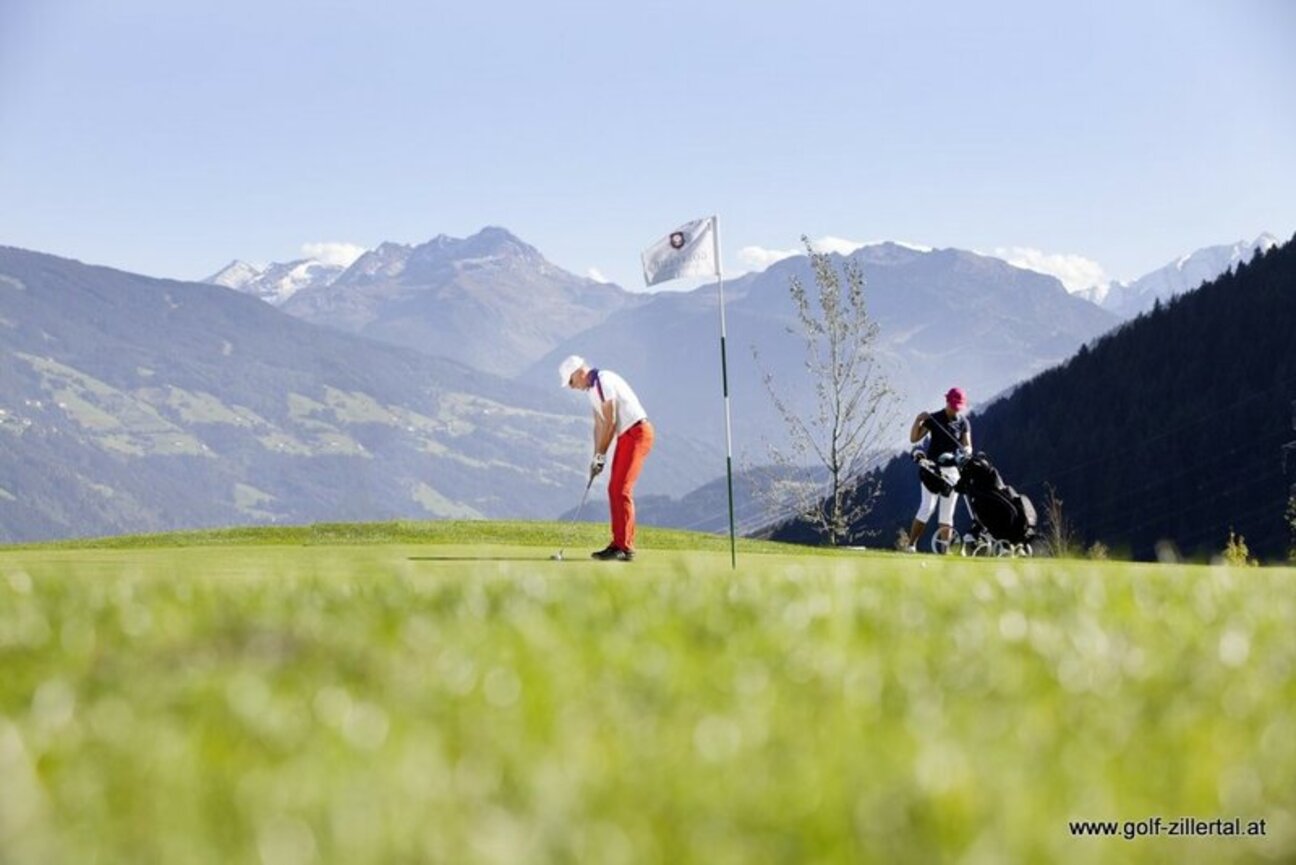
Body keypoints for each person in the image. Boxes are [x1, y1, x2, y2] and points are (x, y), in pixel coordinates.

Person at [559, 355, 655, 561]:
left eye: (571, 381)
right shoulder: (593, 391)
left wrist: (602, 455)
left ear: (578, 372)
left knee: (621, 489)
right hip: (627, 435)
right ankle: (618, 543)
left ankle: (625, 547)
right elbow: (599, 425)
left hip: (637, 432)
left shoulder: (603, 381)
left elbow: (610, 422)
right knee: (615, 489)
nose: (571, 386)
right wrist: (596, 457)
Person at [907, 387, 972, 552]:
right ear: (947, 402)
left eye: (958, 407)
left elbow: (967, 445)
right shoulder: (934, 419)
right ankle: (911, 545)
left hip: (953, 472)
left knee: (947, 515)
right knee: (927, 508)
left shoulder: (963, 423)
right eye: (953, 405)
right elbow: (914, 438)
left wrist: (967, 451)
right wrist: (918, 420)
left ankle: (946, 551)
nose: (955, 409)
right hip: (932, 470)